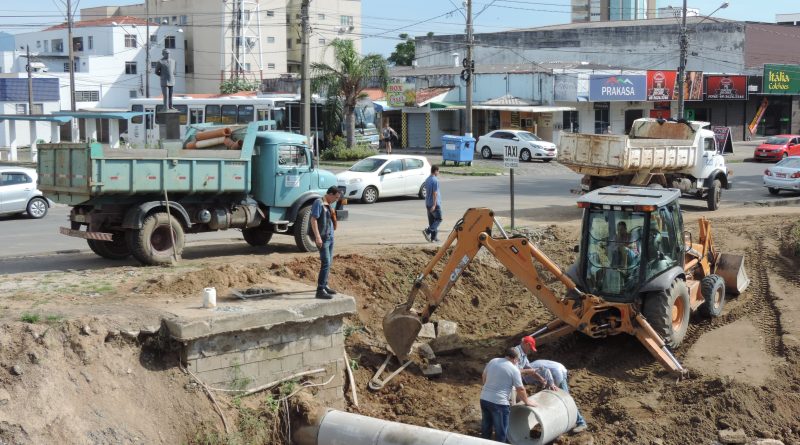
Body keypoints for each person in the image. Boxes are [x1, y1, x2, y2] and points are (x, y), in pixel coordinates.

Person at [480, 347, 536, 443]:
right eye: (518, 360)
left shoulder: (493, 361)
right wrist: (527, 401)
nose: (517, 362)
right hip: (499, 403)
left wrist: (487, 389)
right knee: (501, 432)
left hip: (484, 399)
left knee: (486, 426)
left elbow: (484, 376)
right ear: (514, 359)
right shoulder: (514, 369)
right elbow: (520, 389)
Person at [529, 357, 588, 433]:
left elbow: (545, 372)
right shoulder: (527, 367)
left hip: (556, 373)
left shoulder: (525, 376)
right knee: (546, 398)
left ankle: (581, 423)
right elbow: (539, 381)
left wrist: (552, 385)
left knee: (566, 399)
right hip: (556, 369)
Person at [310, 186, 341, 299]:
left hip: (330, 237)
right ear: (330, 194)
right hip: (323, 239)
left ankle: (325, 285)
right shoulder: (318, 203)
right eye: (336, 197)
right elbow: (313, 220)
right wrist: (317, 237)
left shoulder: (329, 204)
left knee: (329, 262)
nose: (336, 200)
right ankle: (320, 290)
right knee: (326, 263)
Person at [422, 165, 442, 243]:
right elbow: (435, 193)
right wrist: (434, 204)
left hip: (428, 202)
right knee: (438, 219)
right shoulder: (435, 180)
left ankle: (433, 238)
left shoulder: (427, 179)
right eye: (438, 171)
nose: (438, 173)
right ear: (436, 171)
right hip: (434, 204)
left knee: (432, 221)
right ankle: (428, 231)